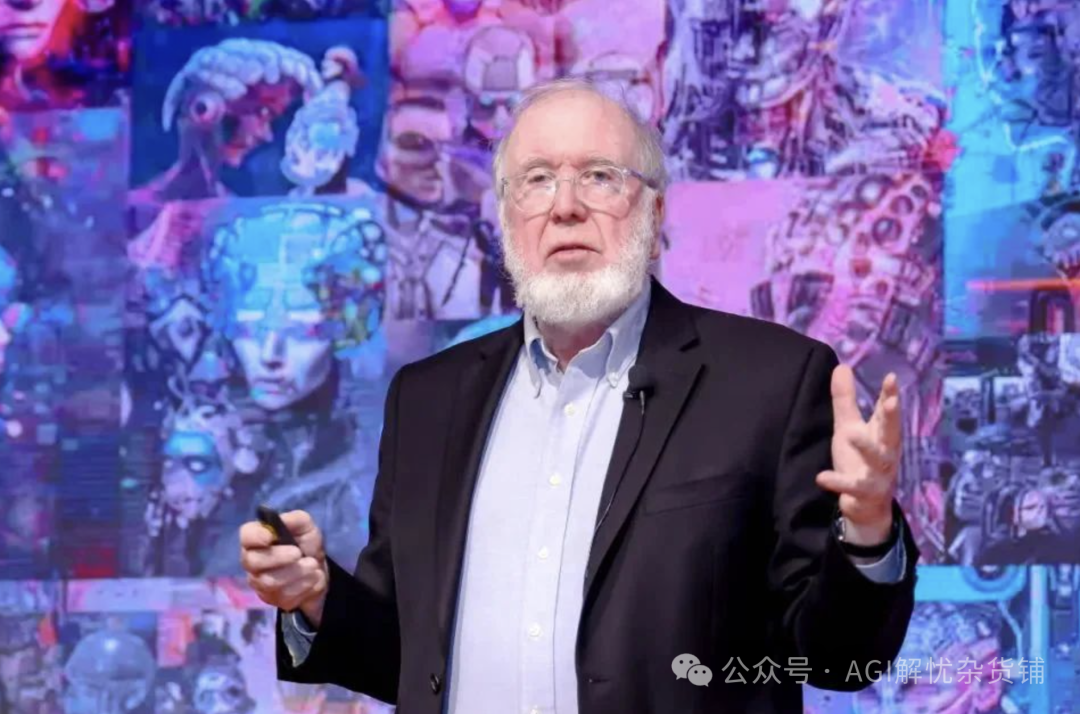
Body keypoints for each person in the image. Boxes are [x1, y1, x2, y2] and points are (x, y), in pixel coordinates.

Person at [240, 78, 920, 713]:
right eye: (537, 180)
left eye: (600, 176)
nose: (565, 206)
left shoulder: (770, 380)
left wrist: (866, 534)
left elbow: (838, 659)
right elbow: (408, 655)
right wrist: (317, 600)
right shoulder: (426, 400)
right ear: (506, 218)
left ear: (654, 214)